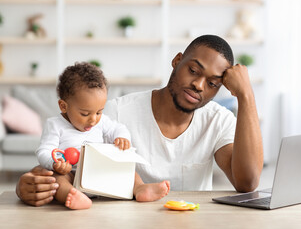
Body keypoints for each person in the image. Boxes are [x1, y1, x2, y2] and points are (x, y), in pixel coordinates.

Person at [16, 35, 263, 206]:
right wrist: (25, 187)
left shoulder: (218, 121)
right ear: (177, 61)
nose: (198, 85)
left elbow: (247, 182)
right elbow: (66, 157)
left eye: (212, 83)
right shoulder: (114, 113)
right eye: (193, 70)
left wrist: (246, 95)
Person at [33, 62, 170, 209]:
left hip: (97, 172)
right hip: (69, 174)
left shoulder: (101, 122)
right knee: (56, 180)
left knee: (129, 171)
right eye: (85, 114)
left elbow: (118, 128)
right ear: (63, 106)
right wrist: (55, 164)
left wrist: (122, 137)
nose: (93, 120)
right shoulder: (55, 125)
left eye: (99, 112)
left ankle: (140, 188)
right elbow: (44, 151)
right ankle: (72, 195)